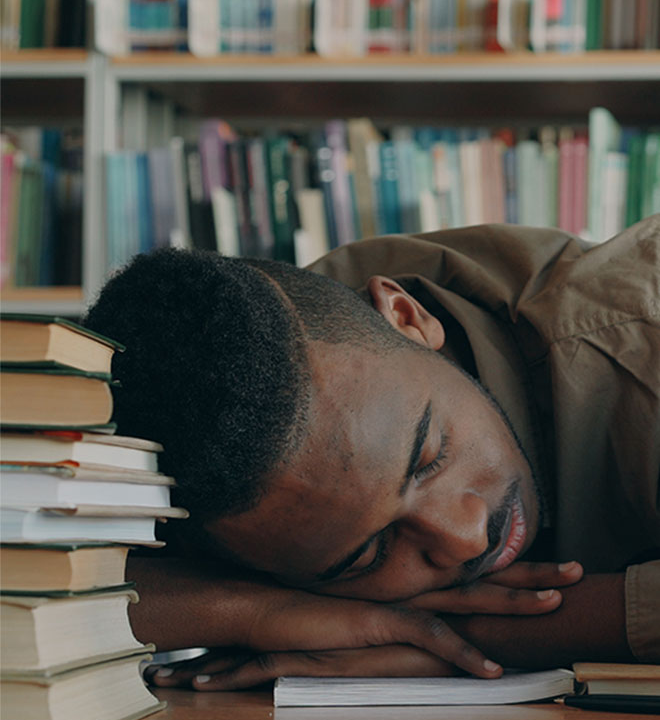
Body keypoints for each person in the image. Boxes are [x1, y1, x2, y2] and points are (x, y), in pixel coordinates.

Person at [83, 216, 660, 690]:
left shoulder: (333, 353)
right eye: (366, 558)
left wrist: (474, 632)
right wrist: (257, 613)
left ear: (408, 318)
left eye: (430, 456)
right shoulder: (210, 420)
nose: (464, 536)